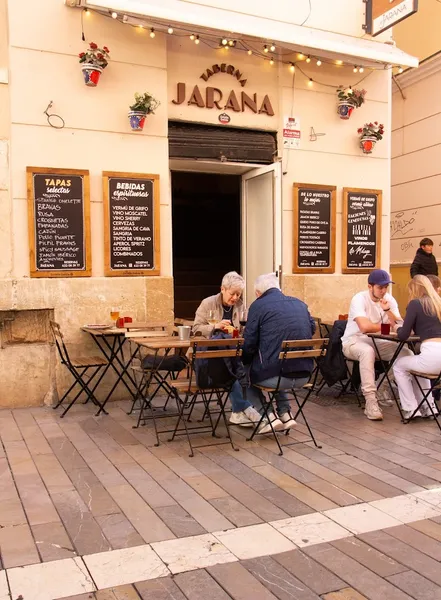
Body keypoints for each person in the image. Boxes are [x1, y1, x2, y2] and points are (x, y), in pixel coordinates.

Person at [242, 273, 315, 433]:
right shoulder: (300, 304)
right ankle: (285, 414)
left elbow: (249, 344)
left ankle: (267, 416)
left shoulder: (258, 306)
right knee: (277, 363)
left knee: (242, 373)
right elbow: (312, 328)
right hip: (305, 375)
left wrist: (243, 360)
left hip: (276, 378)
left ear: (258, 293)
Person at [192, 271, 261, 427]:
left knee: (244, 366)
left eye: (238, 294)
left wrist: (236, 332)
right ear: (222, 289)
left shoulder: (240, 306)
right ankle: (246, 409)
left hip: (233, 352)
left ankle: (238, 412)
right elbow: (195, 328)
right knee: (230, 368)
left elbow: (246, 330)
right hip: (209, 356)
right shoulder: (208, 303)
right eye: (233, 294)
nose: (236, 298)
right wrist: (215, 327)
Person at [342, 269, 412, 421]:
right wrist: (386, 327)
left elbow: (400, 326)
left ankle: (382, 387)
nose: (384, 290)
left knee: (407, 354)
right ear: (370, 286)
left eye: (386, 286)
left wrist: (388, 311)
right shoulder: (359, 299)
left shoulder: (389, 300)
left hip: (378, 341)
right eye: (380, 287)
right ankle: (370, 401)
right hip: (354, 341)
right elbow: (364, 328)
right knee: (367, 352)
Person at [393, 275, 441, 419]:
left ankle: (410, 409)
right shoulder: (438, 303)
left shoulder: (415, 304)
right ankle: (429, 406)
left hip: (431, 355)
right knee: (418, 366)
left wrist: (396, 327)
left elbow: (403, 335)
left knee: (399, 366)